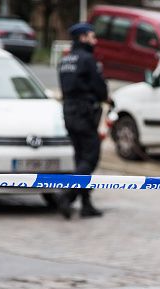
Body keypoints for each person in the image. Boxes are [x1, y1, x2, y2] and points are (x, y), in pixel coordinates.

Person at [57, 22, 108, 219]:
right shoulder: (87, 59)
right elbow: (100, 90)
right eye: (92, 37)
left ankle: (86, 204)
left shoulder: (65, 60)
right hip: (84, 114)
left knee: (80, 158)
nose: (95, 41)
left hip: (69, 113)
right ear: (83, 38)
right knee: (91, 157)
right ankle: (67, 195)